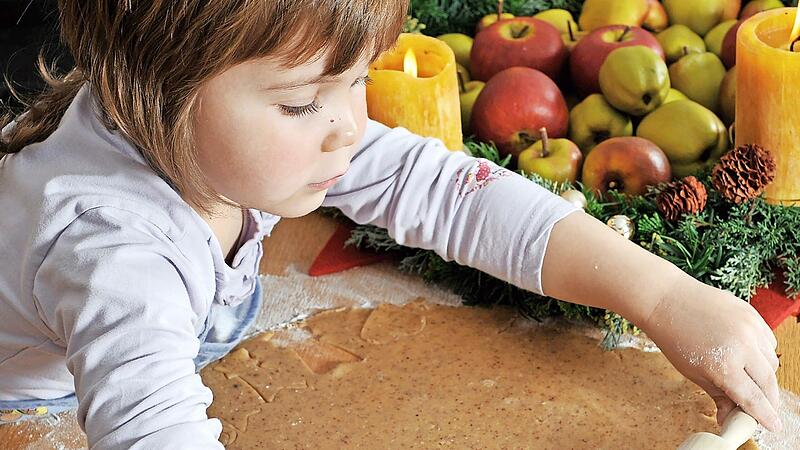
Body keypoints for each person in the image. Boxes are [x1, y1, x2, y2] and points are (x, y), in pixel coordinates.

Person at [0, 1, 781, 447]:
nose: (349, 126)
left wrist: (663, 295)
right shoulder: (114, 253)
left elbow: (445, 190)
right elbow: (148, 429)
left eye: (359, 82)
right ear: (150, 90)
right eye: (305, 101)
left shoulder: (240, 135)